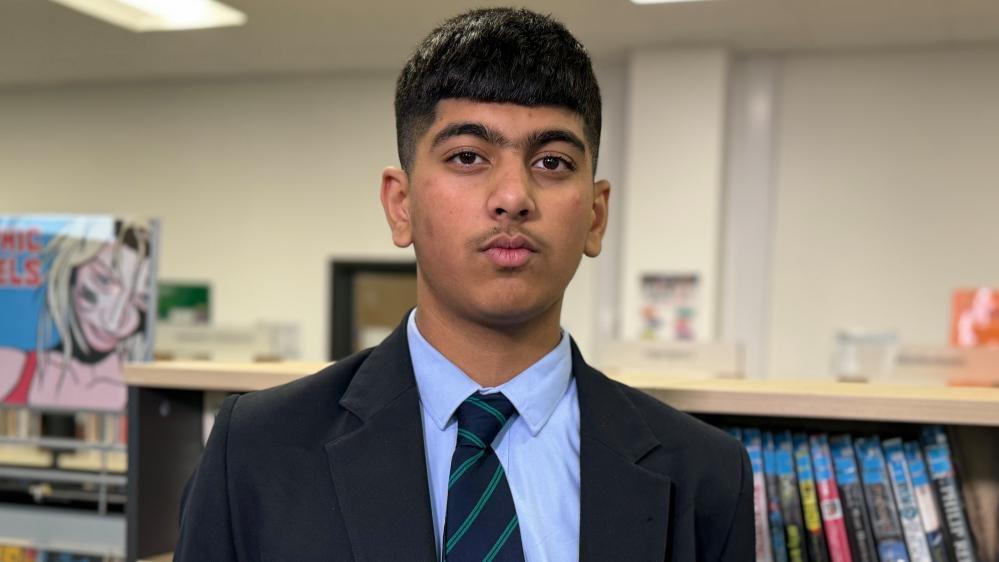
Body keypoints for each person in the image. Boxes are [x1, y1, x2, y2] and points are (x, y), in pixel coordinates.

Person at [175, 8, 753, 561]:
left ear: (595, 216)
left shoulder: (703, 474)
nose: (513, 197)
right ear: (400, 205)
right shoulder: (257, 449)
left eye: (551, 162)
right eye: (469, 156)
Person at [0, 218, 151, 411]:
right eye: (103, 281)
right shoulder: (11, 367)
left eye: (141, 299)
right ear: (71, 273)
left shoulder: (146, 394)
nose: (114, 321)